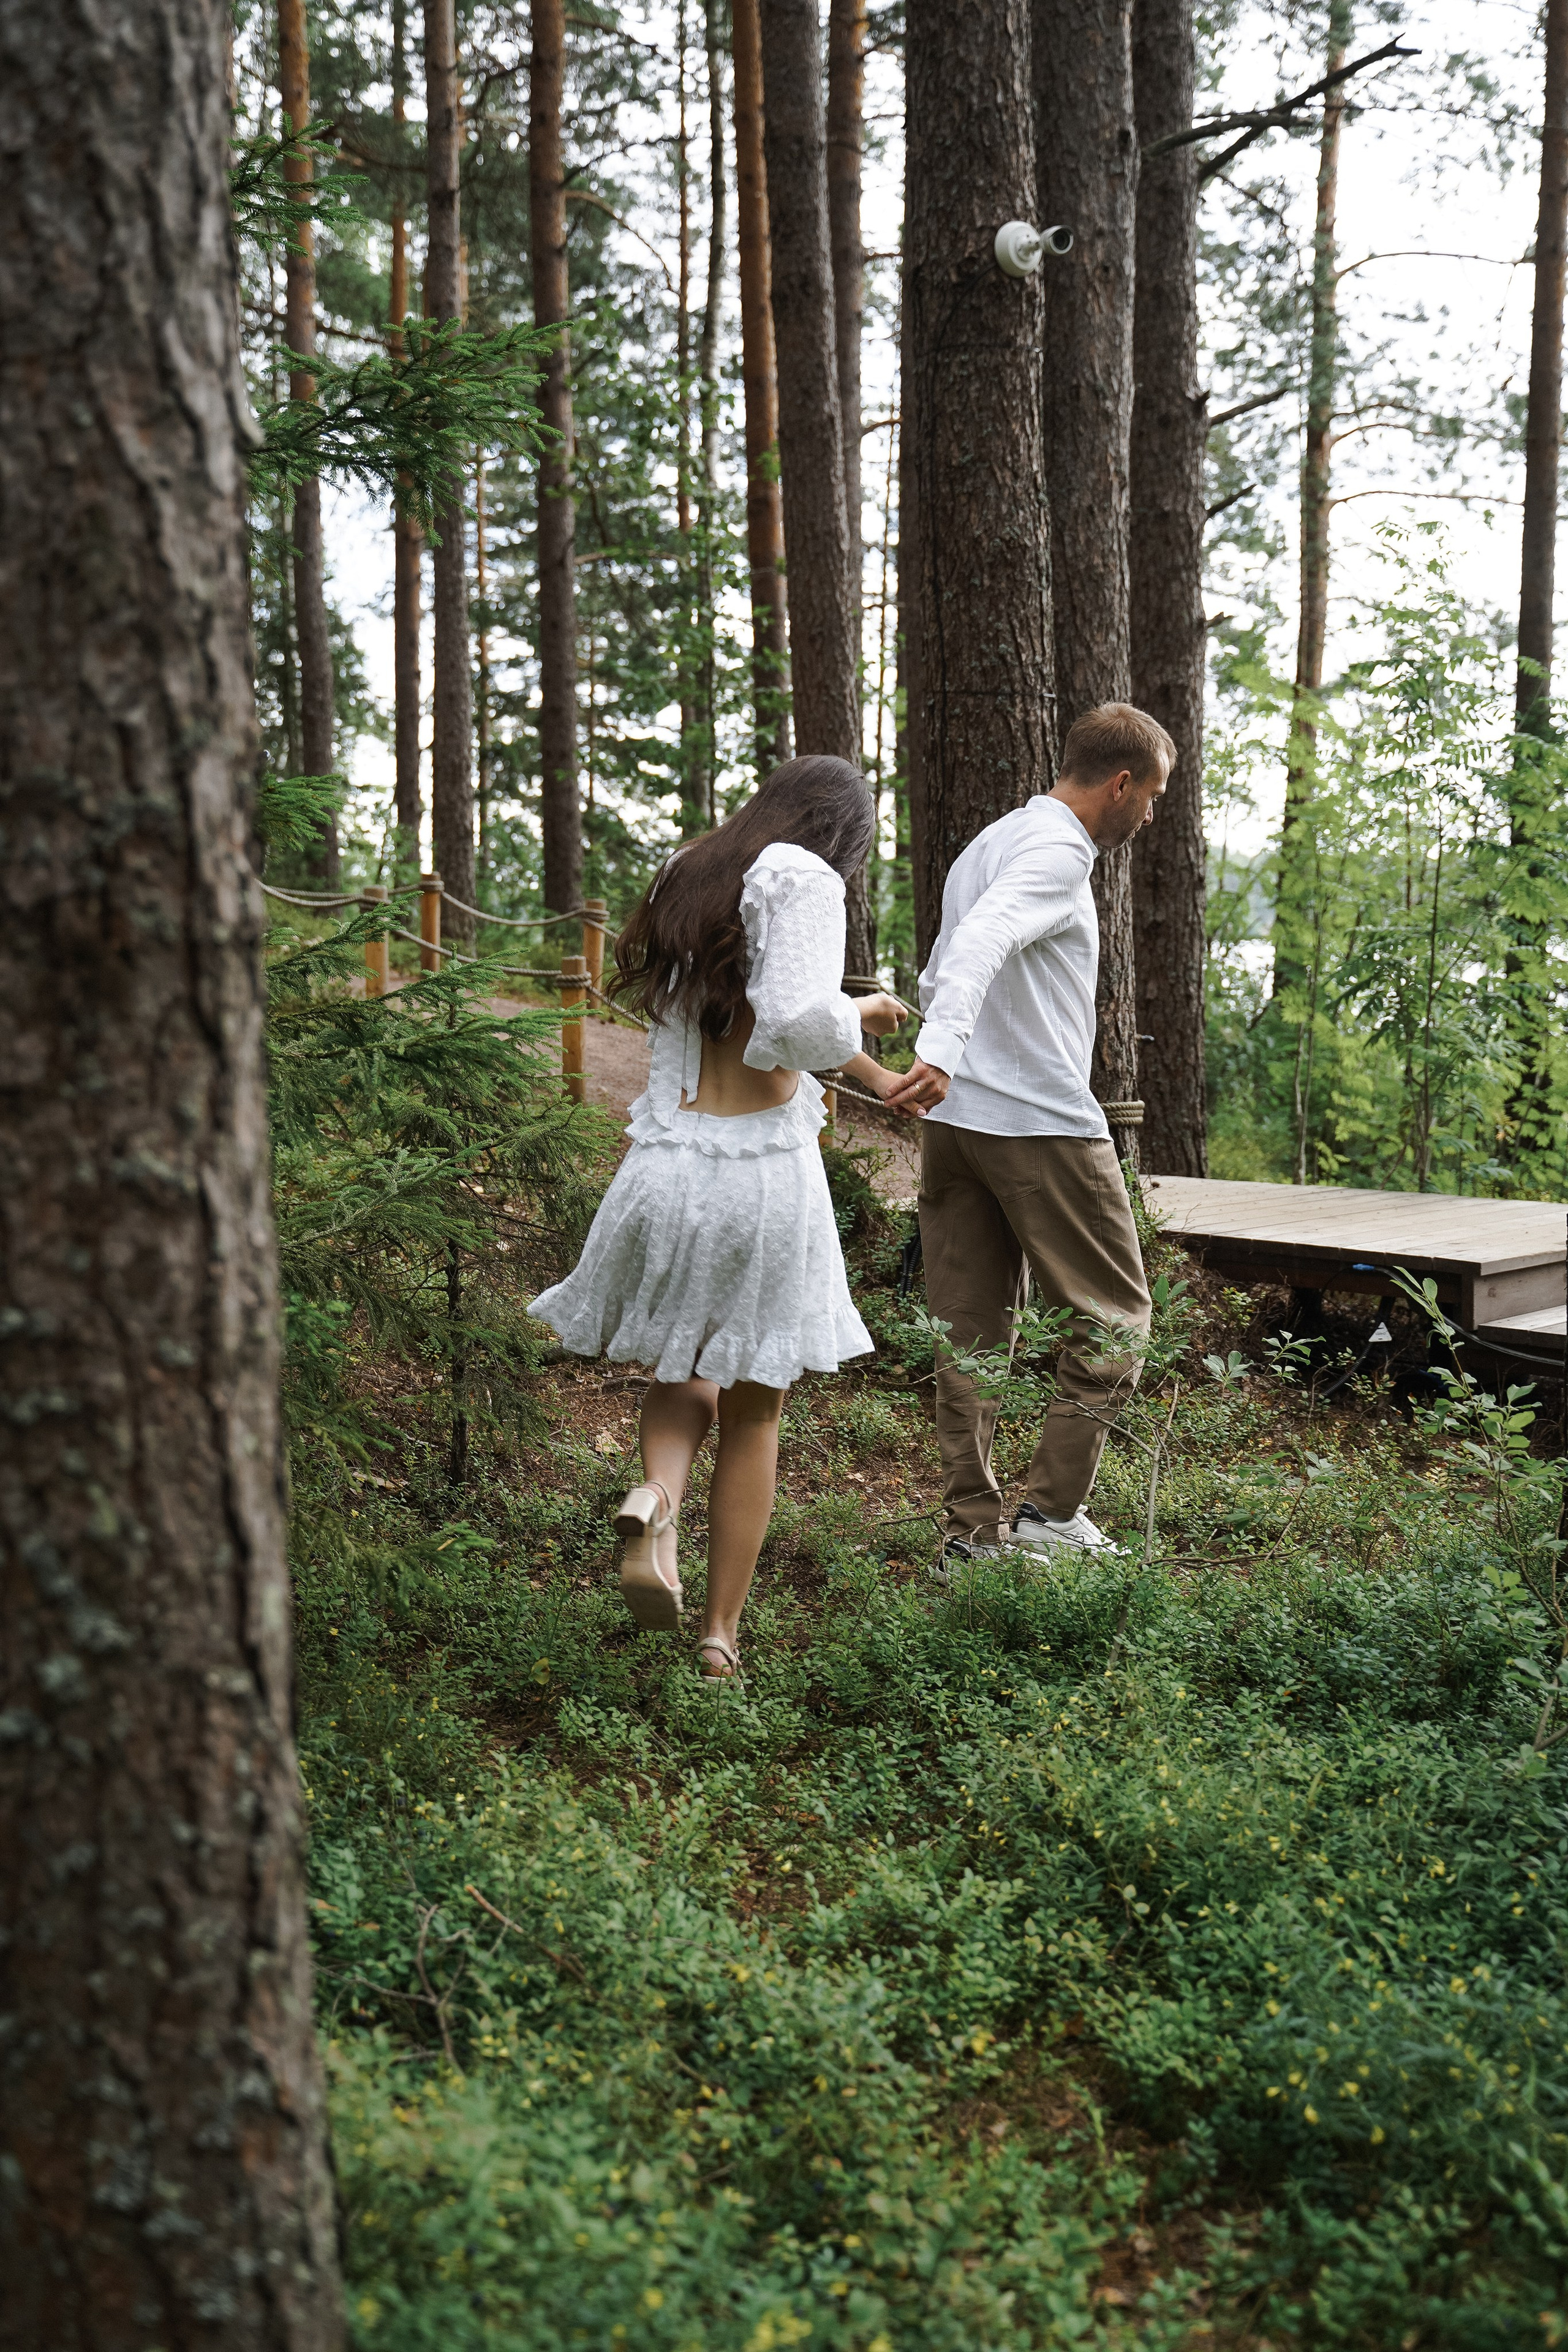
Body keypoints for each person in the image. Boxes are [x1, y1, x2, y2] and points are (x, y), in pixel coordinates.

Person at [529, 758, 909, 1683]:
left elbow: (741, 1017)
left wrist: (885, 1083)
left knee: (684, 1366)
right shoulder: (806, 877)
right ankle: (718, 1637)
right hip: (763, 1179)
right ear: (842, 835)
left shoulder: (690, 873)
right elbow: (796, 1023)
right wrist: (864, 1010)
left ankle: (657, 1496)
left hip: (669, 1165)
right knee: (756, 1409)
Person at [883, 703, 1173, 1566]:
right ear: (1120, 784)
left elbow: (942, 964)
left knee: (966, 1332)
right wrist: (939, 1051)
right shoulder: (1055, 853)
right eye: (1152, 796)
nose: (1151, 816)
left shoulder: (991, 842)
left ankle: (971, 1536)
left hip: (959, 1129)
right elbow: (979, 942)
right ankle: (1050, 1513)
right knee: (1117, 1320)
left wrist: (949, 1062)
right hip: (1039, 1126)